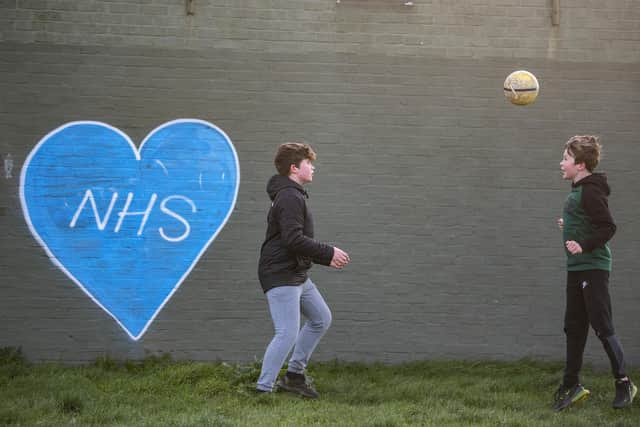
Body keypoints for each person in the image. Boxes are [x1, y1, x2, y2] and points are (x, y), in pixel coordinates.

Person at [255, 142, 350, 398]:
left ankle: (294, 377)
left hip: (294, 272)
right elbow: (292, 239)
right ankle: (263, 390)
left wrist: (323, 258)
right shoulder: (289, 197)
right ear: (294, 168)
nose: (313, 167)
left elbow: (293, 241)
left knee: (321, 318)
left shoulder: (292, 194)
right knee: (286, 333)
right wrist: (328, 252)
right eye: (308, 163)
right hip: (281, 272)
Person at [553, 135, 636, 411]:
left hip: (594, 267)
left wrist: (584, 243)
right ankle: (571, 385)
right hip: (576, 268)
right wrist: (570, 223)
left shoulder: (590, 191)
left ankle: (625, 383)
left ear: (580, 164)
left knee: (601, 325)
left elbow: (607, 227)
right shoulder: (578, 191)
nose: (561, 163)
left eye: (565, 158)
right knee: (574, 327)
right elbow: (588, 220)